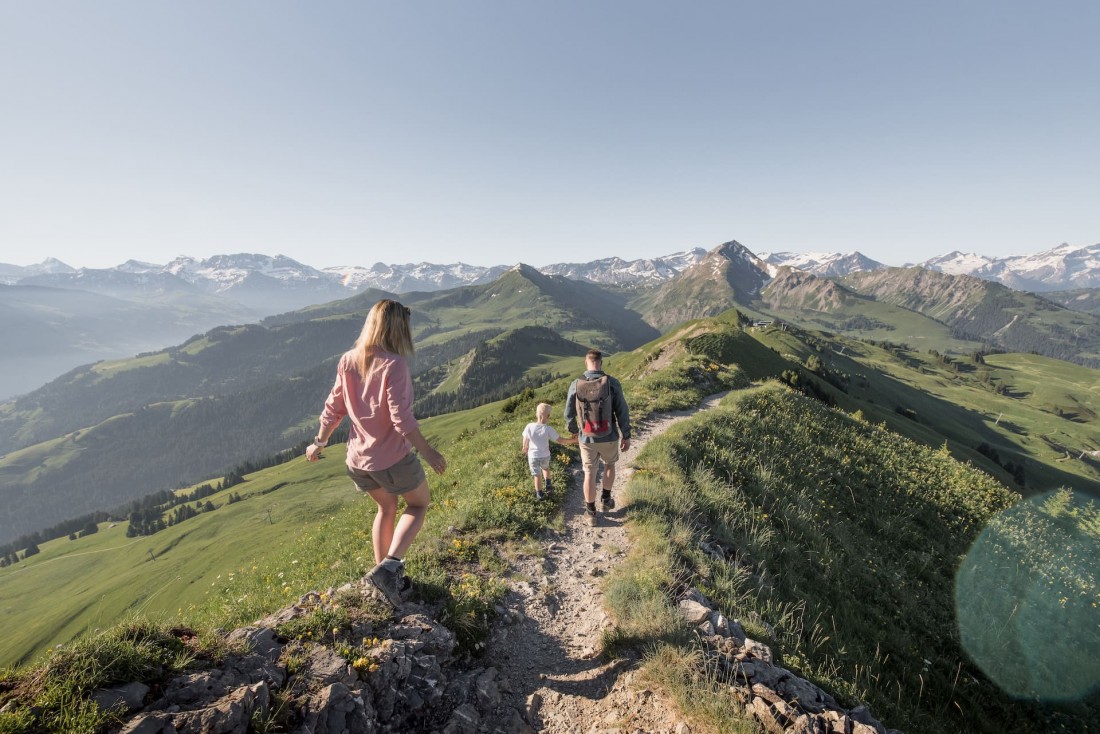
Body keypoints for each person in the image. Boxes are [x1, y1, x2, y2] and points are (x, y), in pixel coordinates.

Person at [306, 299, 446, 608]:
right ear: (397, 329)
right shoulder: (394, 364)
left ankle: (383, 577)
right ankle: (390, 568)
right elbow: (402, 419)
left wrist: (319, 442)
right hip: (392, 458)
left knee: (385, 509)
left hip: (358, 460)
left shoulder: (348, 360)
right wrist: (429, 451)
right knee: (419, 504)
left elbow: (334, 408)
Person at [564, 349, 631, 527]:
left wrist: (574, 430)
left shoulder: (576, 384)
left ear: (586, 363)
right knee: (610, 465)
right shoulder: (611, 383)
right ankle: (606, 499)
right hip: (609, 436)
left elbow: (568, 414)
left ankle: (591, 512)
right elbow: (622, 411)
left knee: (589, 473)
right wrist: (626, 435)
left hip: (586, 438)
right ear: (600, 363)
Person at [521, 402, 577, 500]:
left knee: (537, 475)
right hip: (545, 455)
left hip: (533, 456)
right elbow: (560, 440)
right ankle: (548, 485)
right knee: (545, 469)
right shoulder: (548, 429)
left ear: (536, 414)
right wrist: (573, 440)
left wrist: (525, 447)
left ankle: (540, 494)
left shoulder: (529, 426)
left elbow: (525, 439)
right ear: (548, 417)